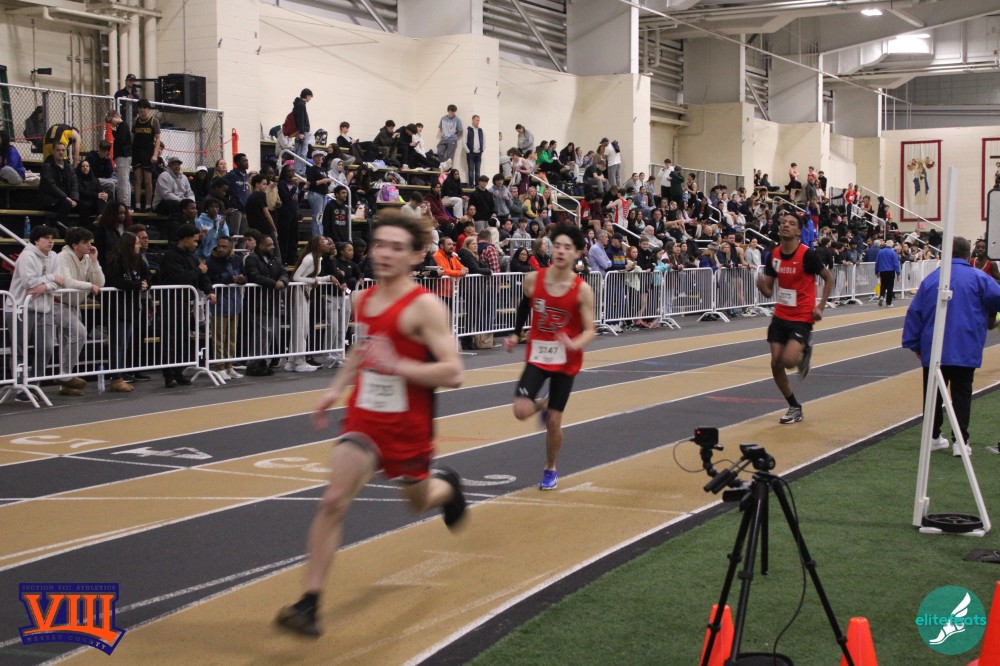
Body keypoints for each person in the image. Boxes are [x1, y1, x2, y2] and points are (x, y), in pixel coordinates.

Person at [275, 212, 467, 637]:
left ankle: (448, 488)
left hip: (409, 424)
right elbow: (362, 352)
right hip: (365, 416)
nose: (384, 253)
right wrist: (334, 390)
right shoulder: (363, 299)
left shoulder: (425, 307)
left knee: (419, 500)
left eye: (396, 247)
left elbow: (454, 373)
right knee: (333, 500)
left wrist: (399, 366)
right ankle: (309, 603)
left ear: (415, 256)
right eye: (380, 244)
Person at [502, 223, 596, 490]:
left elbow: (590, 330)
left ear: (577, 253)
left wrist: (574, 343)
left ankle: (550, 467)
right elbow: (525, 304)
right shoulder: (534, 279)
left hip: (566, 361)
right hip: (538, 354)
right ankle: (543, 404)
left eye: (568, 247)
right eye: (558, 246)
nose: (561, 251)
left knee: (554, 422)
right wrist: (515, 333)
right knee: (521, 411)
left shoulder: (582, 290)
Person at [903, 236, 1000, 457]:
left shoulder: (931, 280)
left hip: (934, 346)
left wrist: (914, 343)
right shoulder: (979, 278)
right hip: (965, 345)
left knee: (933, 394)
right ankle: (961, 441)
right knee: (961, 393)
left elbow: (915, 313)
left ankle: (932, 437)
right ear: (968, 254)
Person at [755, 212, 833, 424]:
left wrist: (820, 306)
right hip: (781, 315)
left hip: (802, 315)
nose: (785, 226)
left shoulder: (807, 255)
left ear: (799, 231)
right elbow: (769, 292)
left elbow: (828, 278)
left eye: (791, 223)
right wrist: (761, 286)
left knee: (789, 361)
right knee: (776, 363)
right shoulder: (774, 254)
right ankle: (794, 407)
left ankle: (804, 351)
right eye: (782, 223)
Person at [157, 223, 216, 387]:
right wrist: (199, 271)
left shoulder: (192, 257)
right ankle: (169, 375)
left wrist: (210, 290)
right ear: (185, 239)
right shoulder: (170, 256)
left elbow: (202, 278)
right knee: (170, 339)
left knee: (182, 338)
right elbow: (181, 277)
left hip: (184, 302)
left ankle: (179, 372)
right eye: (195, 241)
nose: (196, 244)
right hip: (170, 302)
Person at [104, 231, 151, 392]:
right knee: (117, 344)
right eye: (136, 243)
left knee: (125, 343)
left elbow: (147, 276)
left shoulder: (138, 260)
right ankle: (115, 376)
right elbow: (114, 281)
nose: (139, 246)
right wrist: (137, 285)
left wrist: (145, 284)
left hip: (132, 307)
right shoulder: (116, 259)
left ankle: (121, 374)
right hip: (117, 307)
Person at [39, 142, 79, 228]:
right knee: (66, 204)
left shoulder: (68, 166)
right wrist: (66, 197)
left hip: (67, 199)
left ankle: (84, 231)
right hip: (51, 200)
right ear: (53, 151)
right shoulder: (47, 166)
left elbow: (74, 183)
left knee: (85, 205)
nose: (61, 152)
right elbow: (50, 186)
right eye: (58, 150)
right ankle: (60, 230)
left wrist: (74, 198)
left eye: (63, 150)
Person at [131, 99, 161, 211]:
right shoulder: (135, 121)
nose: (142, 110)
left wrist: (155, 154)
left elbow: (158, 139)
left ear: (148, 109)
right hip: (137, 152)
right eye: (140, 107)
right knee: (137, 179)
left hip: (148, 152)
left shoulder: (154, 121)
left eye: (144, 107)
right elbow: (132, 137)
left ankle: (148, 205)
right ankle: (137, 205)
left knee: (148, 180)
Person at [876, 239, 902, 307]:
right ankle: (888, 303)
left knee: (883, 285)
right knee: (890, 287)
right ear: (892, 245)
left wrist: (877, 271)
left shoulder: (880, 252)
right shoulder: (893, 253)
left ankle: (881, 296)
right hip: (890, 271)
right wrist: (898, 273)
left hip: (882, 271)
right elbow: (896, 264)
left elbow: (877, 262)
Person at [465, 115, 484, 185]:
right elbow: (464, 142)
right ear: (473, 120)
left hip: (478, 154)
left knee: (478, 171)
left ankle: (477, 185)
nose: (478, 122)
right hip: (471, 154)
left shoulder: (481, 130)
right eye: (477, 120)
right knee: (471, 170)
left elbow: (484, 141)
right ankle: (471, 185)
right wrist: (468, 151)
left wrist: (482, 150)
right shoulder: (468, 130)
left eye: (479, 120)